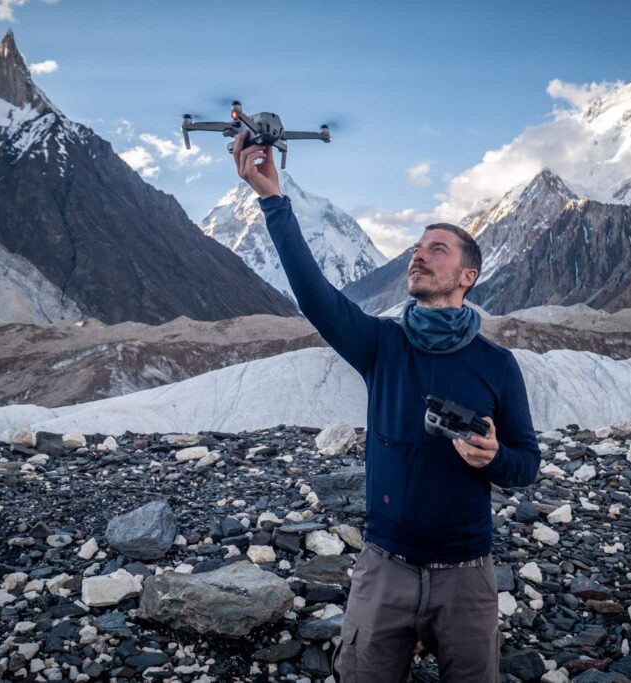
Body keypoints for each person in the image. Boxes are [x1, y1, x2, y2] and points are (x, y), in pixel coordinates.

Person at [232, 131, 541, 683]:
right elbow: (314, 294)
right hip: (383, 565)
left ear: (467, 276)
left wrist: (493, 458)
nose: (417, 255)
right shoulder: (382, 345)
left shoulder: (497, 365)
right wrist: (271, 199)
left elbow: (527, 464)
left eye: (436, 249)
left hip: (467, 573)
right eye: (417, 248)